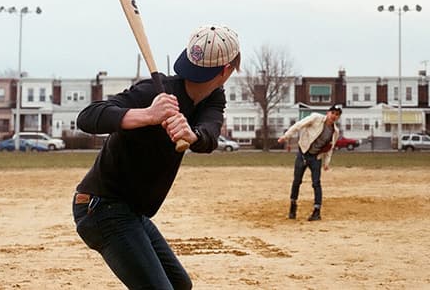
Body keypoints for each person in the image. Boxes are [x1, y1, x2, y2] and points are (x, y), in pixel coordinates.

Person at [72, 24, 240, 290]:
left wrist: (192, 135)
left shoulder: (213, 98)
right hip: (101, 206)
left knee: (180, 285)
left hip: (132, 212)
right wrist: (148, 115)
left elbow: (209, 134)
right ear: (227, 70)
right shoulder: (155, 92)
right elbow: (88, 117)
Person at [277, 104, 341, 221]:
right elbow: (299, 125)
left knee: (316, 183)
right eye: (332, 113)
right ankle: (293, 205)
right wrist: (286, 136)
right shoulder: (316, 118)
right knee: (297, 181)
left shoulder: (335, 132)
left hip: (316, 157)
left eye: (337, 115)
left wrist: (326, 162)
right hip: (303, 153)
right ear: (328, 113)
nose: (334, 116)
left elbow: (330, 148)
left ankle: (317, 211)